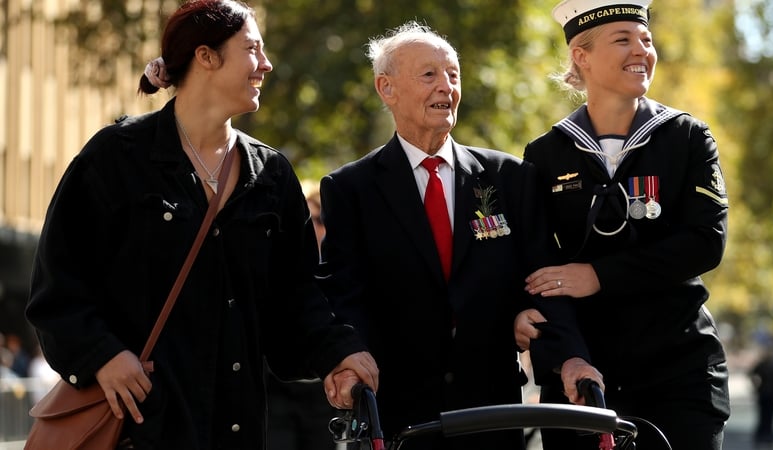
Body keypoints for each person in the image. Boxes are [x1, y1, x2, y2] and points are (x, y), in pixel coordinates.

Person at [25, 1, 378, 449]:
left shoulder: (273, 176)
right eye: (253, 49)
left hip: (236, 430)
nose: (266, 65)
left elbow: (298, 305)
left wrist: (339, 354)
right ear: (206, 56)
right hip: (139, 428)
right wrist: (103, 356)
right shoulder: (115, 157)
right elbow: (56, 288)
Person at [317, 20, 601, 450]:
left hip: (491, 409)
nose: (445, 87)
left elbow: (543, 281)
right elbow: (345, 294)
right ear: (386, 88)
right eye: (429, 75)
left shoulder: (510, 178)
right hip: (398, 415)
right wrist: (347, 359)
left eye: (453, 75)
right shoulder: (350, 189)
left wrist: (568, 356)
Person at [516, 1, 731, 449]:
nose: (642, 50)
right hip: (583, 377)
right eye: (623, 39)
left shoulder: (687, 136)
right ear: (581, 56)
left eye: (646, 40)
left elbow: (705, 243)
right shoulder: (545, 153)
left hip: (678, 373)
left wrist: (597, 276)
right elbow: (539, 267)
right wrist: (567, 357)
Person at [266, 181, 337, 450]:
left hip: (326, 397)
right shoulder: (279, 269)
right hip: (277, 394)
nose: (311, 228)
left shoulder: (342, 271)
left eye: (317, 219)